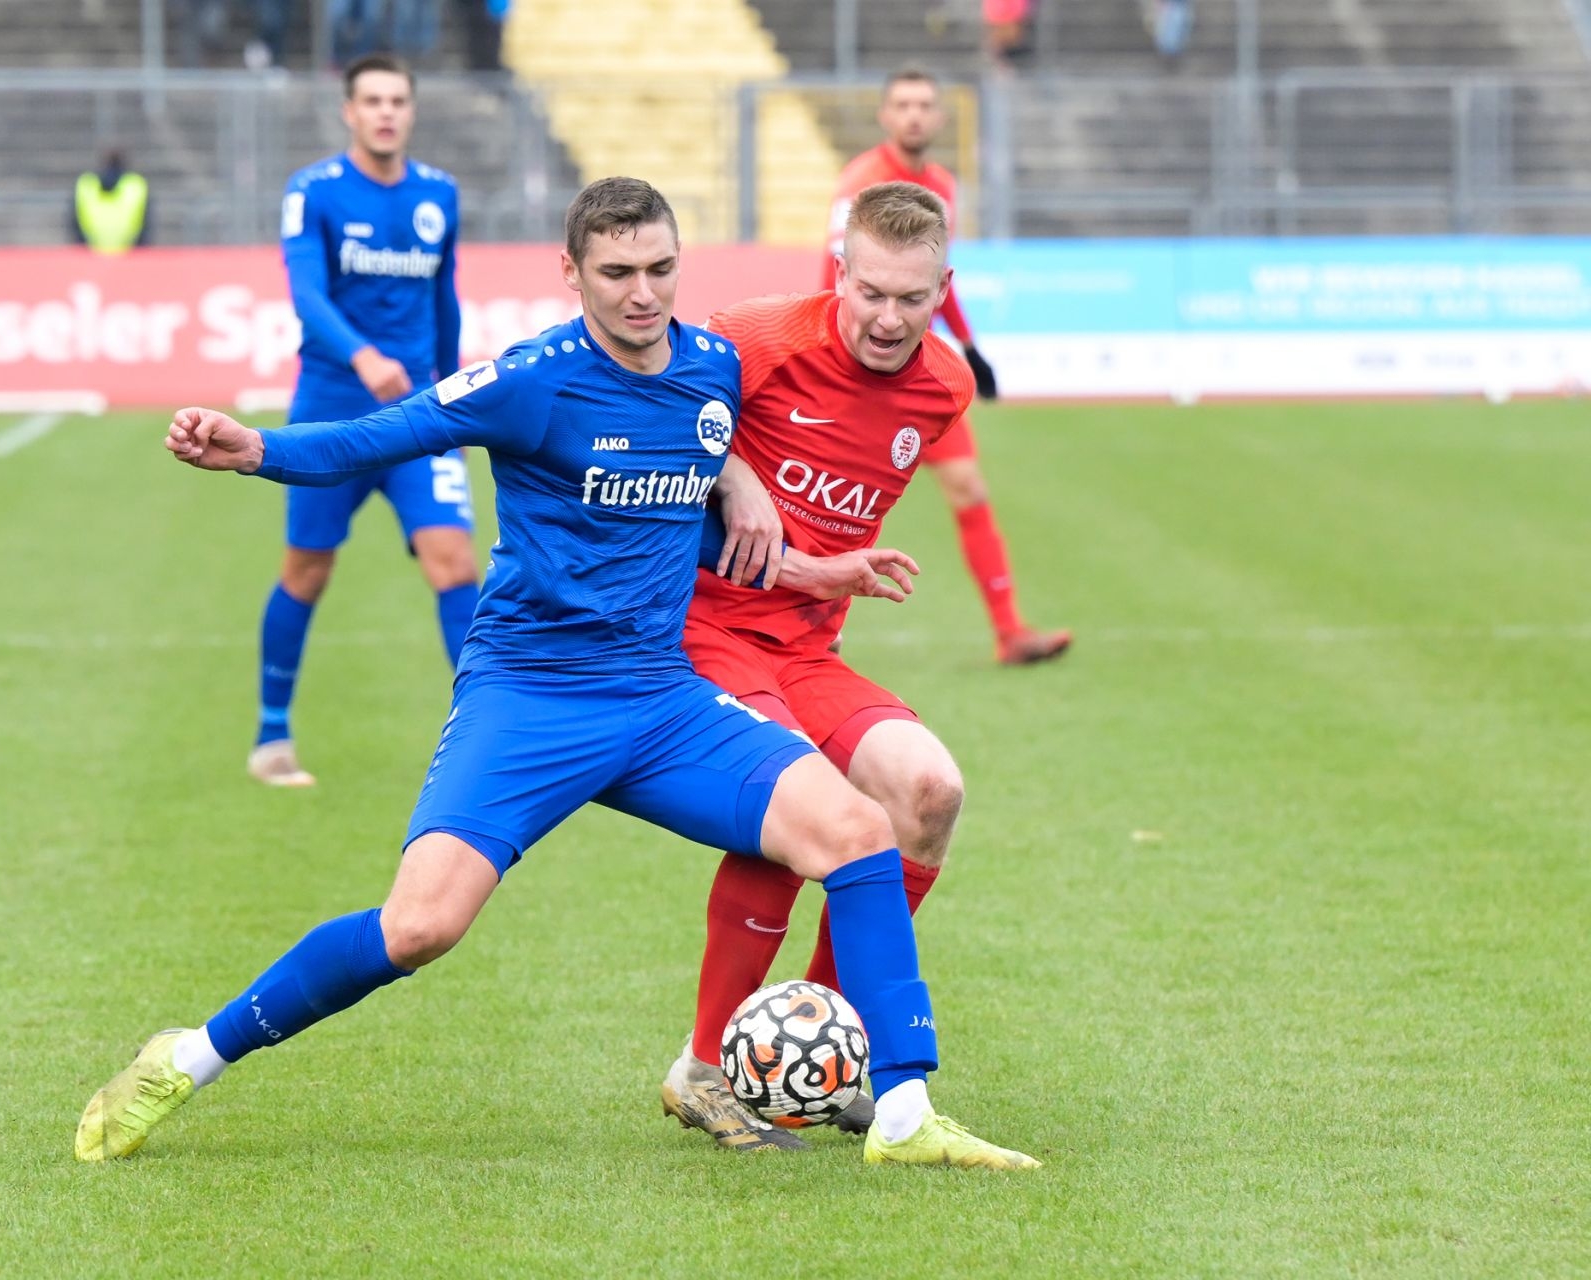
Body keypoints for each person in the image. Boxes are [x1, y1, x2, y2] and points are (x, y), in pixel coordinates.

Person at [74, 177, 1040, 1172]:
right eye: (617, 272)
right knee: (419, 927)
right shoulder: (531, 379)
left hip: (662, 697)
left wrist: (788, 545)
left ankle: (903, 1109)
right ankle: (187, 1057)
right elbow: (388, 433)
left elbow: (688, 501)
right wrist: (257, 450)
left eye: (659, 268)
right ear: (571, 273)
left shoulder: (713, 367)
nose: (642, 293)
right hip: (530, 696)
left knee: (860, 831)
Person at [663, 181, 1010, 1153]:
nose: (889, 318)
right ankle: (702, 1069)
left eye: (913, 298)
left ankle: (819, 1053)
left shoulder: (943, 387)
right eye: (871, 293)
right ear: (841, 274)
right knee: (801, 808)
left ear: (943, 289)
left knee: (930, 791)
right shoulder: (757, 336)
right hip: (705, 631)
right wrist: (734, 473)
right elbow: (652, 412)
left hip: (809, 648)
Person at [250, 54, 477, 788]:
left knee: (455, 562)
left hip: (417, 415)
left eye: (398, 100)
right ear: (349, 111)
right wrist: (363, 355)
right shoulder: (313, 191)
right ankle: (272, 735)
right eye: (373, 100)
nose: (386, 112)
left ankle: (484, 736)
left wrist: (454, 393)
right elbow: (307, 295)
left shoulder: (438, 193)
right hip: (331, 412)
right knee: (307, 570)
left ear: (411, 111)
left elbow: (444, 298)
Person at [825, 69, 1070, 667]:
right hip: (858, 372)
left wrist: (969, 345)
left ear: (938, 118)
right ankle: (808, 636)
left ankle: (1010, 632)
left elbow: (935, 282)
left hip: (921, 372)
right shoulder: (859, 185)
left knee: (968, 486)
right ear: (885, 115)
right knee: (839, 504)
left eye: (924, 105)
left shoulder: (940, 187)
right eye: (903, 104)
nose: (914, 115)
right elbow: (834, 283)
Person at [68, 150, 150, 254]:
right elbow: (146, 227)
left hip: (90, 254)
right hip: (130, 254)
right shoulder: (136, 185)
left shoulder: (86, 185)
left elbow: (74, 224)